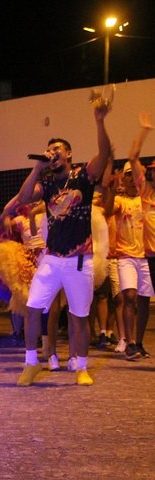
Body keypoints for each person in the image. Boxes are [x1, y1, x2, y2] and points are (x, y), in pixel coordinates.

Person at [15, 101, 111, 387]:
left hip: (80, 259)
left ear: (68, 154)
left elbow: (104, 154)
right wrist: (36, 167)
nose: (53, 153)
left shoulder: (83, 177)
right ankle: (31, 363)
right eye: (50, 150)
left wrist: (99, 120)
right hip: (52, 259)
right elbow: (22, 199)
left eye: (57, 149)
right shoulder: (46, 185)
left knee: (78, 316)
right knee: (33, 308)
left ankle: (81, 366)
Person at [105, 112, 153, 360]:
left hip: (146, 257)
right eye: (128, 176)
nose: (132, 179)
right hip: (125, 257)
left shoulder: (146, 197)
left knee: (143, 301)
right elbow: (106, 208)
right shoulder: (127, 199)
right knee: (129, 296)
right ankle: (129, 339)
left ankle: (139, 343)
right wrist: (143, 130)